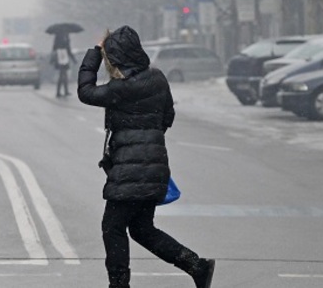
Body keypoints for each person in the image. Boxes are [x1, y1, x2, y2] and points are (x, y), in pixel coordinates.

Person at [76, 25, 215, 288]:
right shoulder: (158, 78)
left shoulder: (121, 88)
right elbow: (168, 117)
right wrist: (147, 135)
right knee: (141, 229)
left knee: (112, 227)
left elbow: (86, 92)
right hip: (153, 167)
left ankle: (119, 284)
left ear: (118, 58)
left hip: (131, 172)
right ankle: (197, 266)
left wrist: (93, 55)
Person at [52, 32, 77, 98]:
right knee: (62, 75)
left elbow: (54, 49)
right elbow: (68, 50)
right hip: (62, 58)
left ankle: (62, 91)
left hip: (62, 58)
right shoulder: (64, 41)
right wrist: (74, 59)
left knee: (63, 75)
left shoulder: (58, 39)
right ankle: (61, 91)